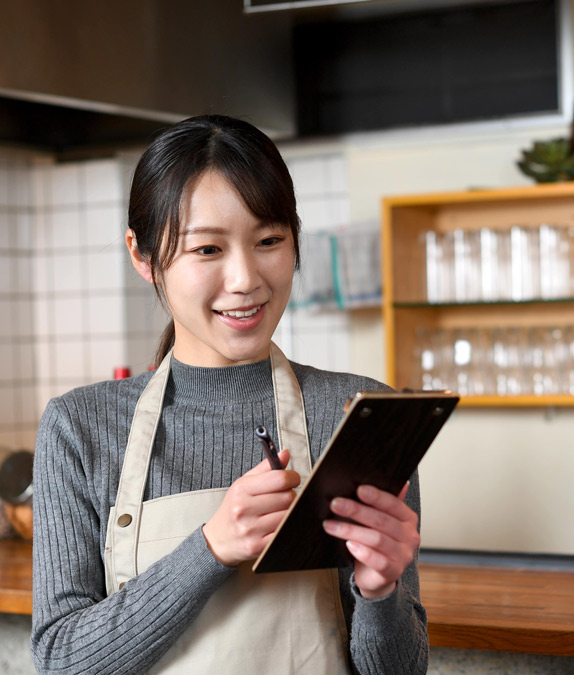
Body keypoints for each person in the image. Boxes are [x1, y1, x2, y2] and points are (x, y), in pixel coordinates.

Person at [30, 115, 429, 674]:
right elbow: (62, 661)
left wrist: (380, 590)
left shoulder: (355, 413)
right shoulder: (80, 427)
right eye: (207, 250)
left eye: (268, 241)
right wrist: (210, 548)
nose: (245, 278)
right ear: (143, 257)